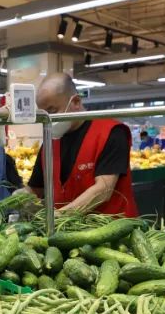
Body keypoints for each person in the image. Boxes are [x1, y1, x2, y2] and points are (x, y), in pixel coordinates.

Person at [26, 73, 137, 216]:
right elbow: (37, 188)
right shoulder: (50, 142)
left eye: (52, 111)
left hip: (112, 229)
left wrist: (61, 215)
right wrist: (21, 196)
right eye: (43, 115)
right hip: (68, 232)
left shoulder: (111, 132)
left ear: (76, 102)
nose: (48, 120)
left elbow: (104, 189)